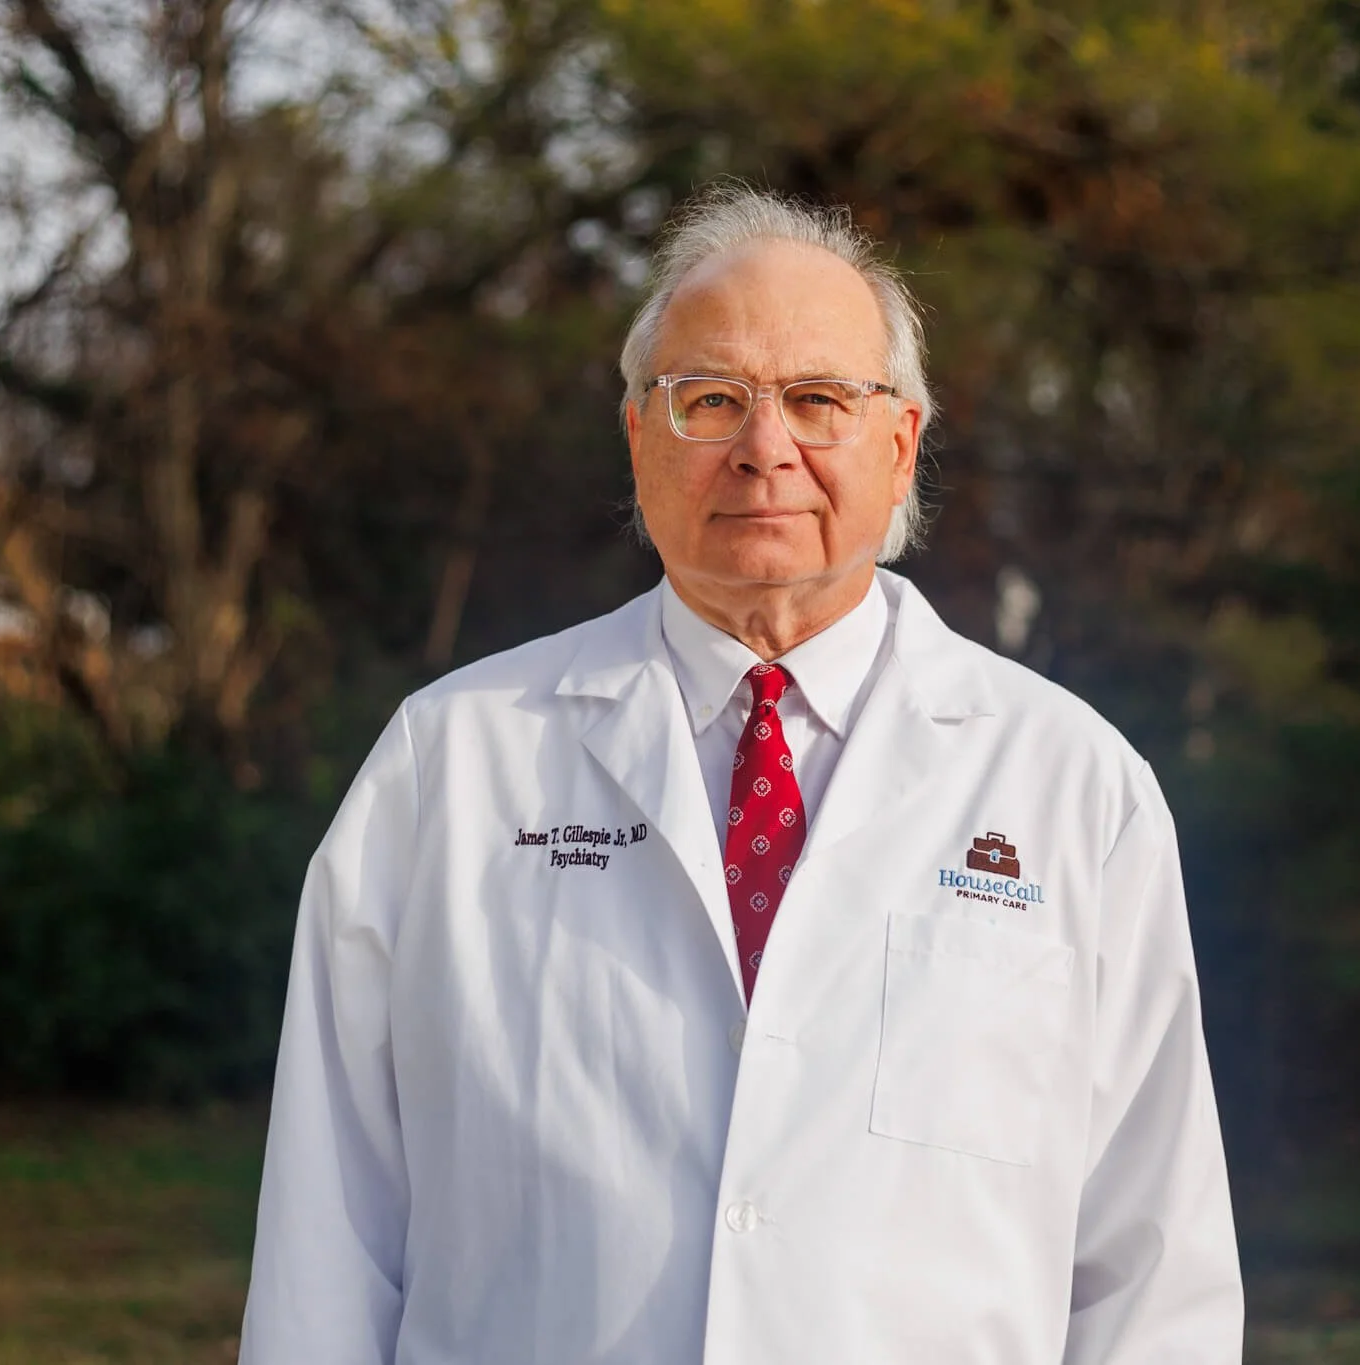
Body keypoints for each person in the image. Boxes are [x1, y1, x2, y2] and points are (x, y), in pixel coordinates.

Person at [239, 185, 1242, 1364]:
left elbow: (1150, 1271)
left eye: (817, 400)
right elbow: (326, 1231)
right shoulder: (450, 761)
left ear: (899, 444)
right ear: (638, 439)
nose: (765, 450)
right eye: (710, 400)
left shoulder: (1072, 786)